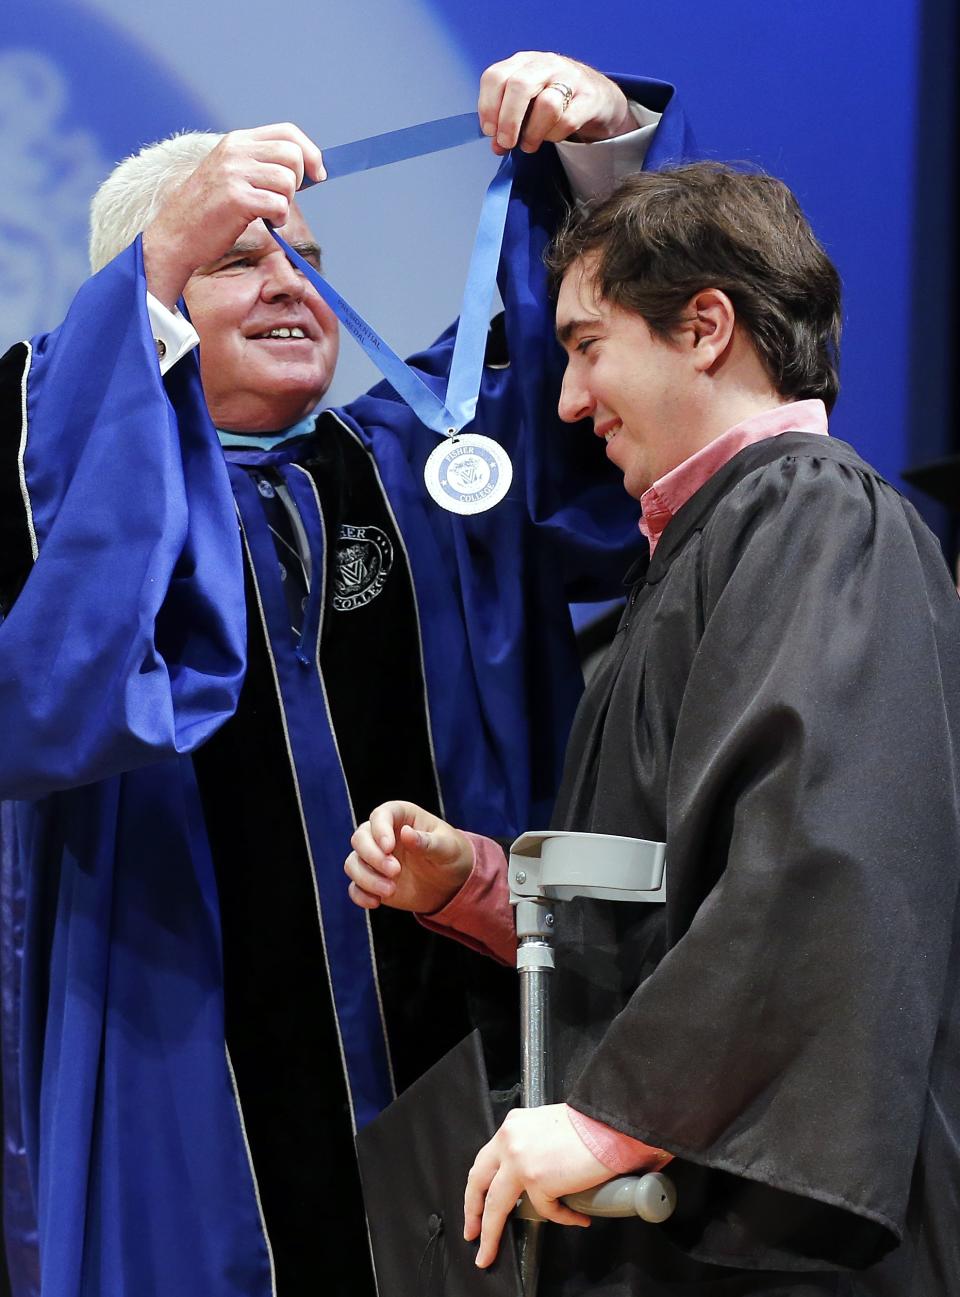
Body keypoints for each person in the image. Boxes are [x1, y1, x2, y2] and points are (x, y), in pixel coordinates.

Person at [0, 51, 696, 1297]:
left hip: (451, 1062)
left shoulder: (411, 472)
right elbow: (47, 678)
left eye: (305, 260)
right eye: (237, 256)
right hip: (182, 1071)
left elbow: (568, 382)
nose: (289, 285)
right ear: (143, 300)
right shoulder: (62, 475)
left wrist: (592, 162)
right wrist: (152, 268)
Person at [346, 162, 960, 1294]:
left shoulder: (818, 514)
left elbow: (825, 864)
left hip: (778, 1244)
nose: (570, 402)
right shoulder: (714, 544)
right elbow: (682, 886)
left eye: (587, 346)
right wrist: (481, 885)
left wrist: (616, 1116)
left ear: (706, 327)